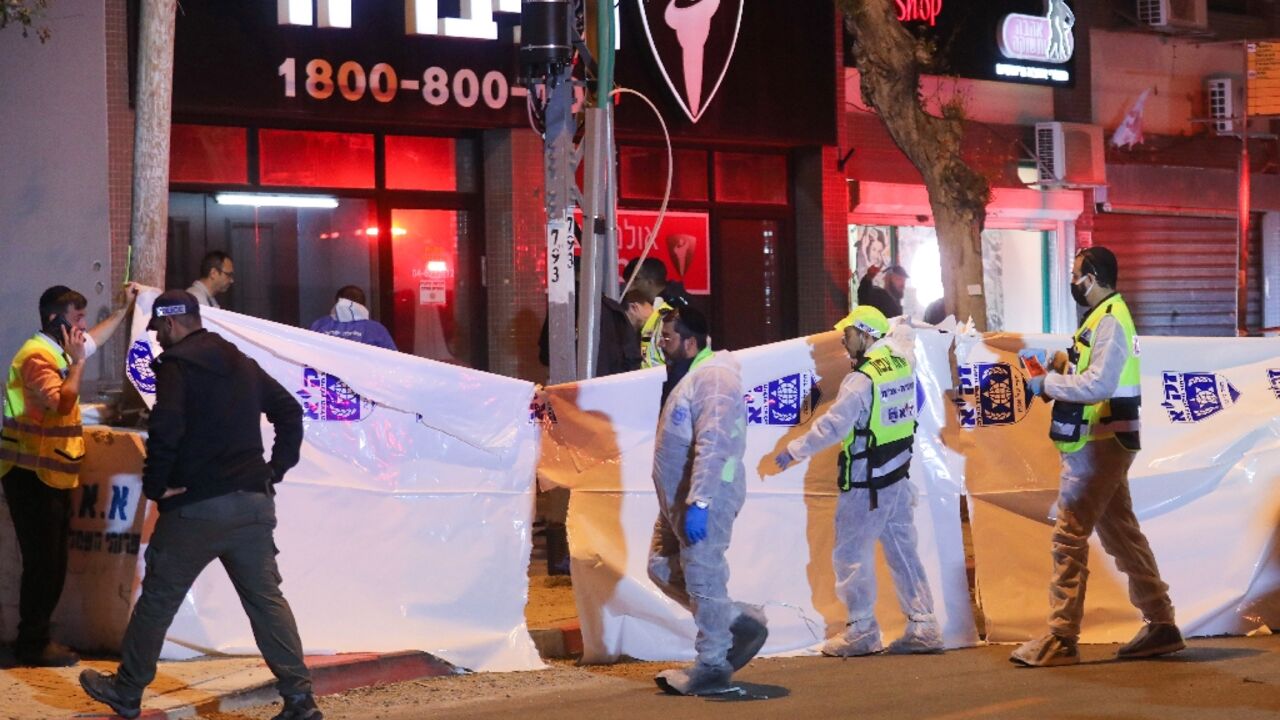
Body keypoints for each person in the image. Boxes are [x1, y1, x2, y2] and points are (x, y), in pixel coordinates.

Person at [79, 290, 322, 720]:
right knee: (267, 602)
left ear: (172, 324)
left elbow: (167, 428)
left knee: (158, 599)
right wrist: (273, 470)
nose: (157, 338)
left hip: (196, 508)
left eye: (157, 329)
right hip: (252, 505)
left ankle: (128, 691)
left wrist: (155, 486)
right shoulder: (240, 363)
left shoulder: (177, 367)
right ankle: (300, 700)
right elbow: (289, 411)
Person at [1010, 246, 1182, 668]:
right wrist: (1059, 366)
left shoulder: (1110, 322)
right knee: (1123, 535)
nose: (1072, 282)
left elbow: (1098, 386)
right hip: (1105, 444)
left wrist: (1047, 384)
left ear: (1094, 276)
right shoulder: (1104, 318)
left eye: (1076, 275)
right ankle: (1162, 624)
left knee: (1069, 537)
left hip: (1099, 445)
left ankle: (1061, 637)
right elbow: (1091, 375)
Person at [773, 305, 943, 657]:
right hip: (896, 474)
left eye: (848, 334)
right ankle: (924, 625)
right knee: (902, 551)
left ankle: (862, 630)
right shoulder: (901, 364)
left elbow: (834, 425)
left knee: (851, 555)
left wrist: (794, 450)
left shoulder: (861, 379)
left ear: (866, 334)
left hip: (866, 482)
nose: (842, 341)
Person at [1, 283, 139, 667]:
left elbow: (93, 340)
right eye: (76, 318)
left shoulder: (56, 349)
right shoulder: (36, 357)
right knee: (43, 564)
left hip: (47, 473)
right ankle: (32, 643)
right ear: (54, 319)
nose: (82, 325)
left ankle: (37, 638)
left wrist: (123, 310)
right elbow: (63, 401)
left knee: (52, 562)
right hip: (30, 474)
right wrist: (78, 364)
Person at [648, 301, 767, 696]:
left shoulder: (715, 379)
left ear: (690, 341)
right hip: (678, 500)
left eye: (668, 336)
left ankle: (713, 664)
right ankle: (733, 620)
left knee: (704, 576)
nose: (660, 343)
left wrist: (700, 501)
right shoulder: (689, 375)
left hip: (704, 498)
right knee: (661, 566)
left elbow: (717, 443)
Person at [622, 257, 688, 368]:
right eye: (627, 283)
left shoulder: (673, 307)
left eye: (635, 280)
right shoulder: (658, 308)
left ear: (650, 281)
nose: (629, 288)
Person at [308, 286, 396, 350]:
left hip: (326, 374)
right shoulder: (376, 329)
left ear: (337, 303)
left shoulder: (320, 324)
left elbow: (307, 353)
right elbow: (392, 360)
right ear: (363, 305)